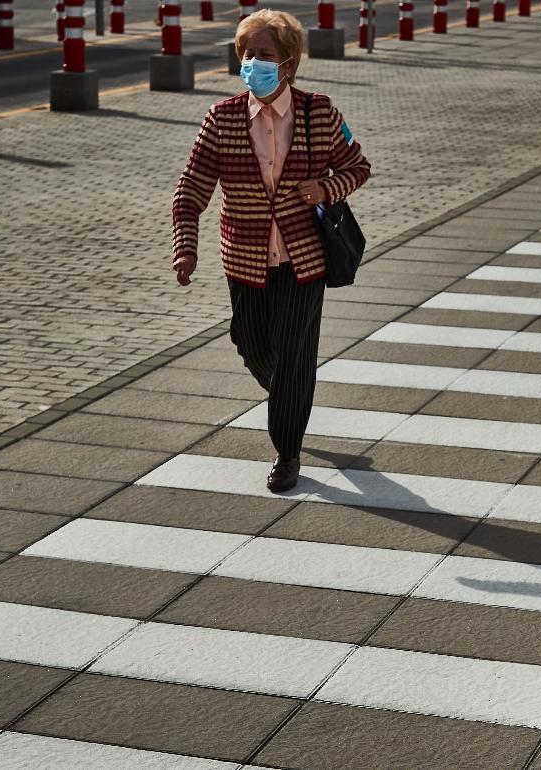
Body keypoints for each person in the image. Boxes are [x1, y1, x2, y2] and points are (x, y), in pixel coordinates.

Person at [170, 9, 372, 493]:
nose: (251, 63)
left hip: (305, 260)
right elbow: (190, 189)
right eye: (245, 54)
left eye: (263, 54)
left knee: (295, 354)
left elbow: (358, 167)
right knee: (251, 343)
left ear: (288, 62)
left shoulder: (318, 112)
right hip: (245, 258)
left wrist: (325, 189)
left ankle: (287, 452)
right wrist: (186, 248)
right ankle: (288, 396)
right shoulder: (221, 118)